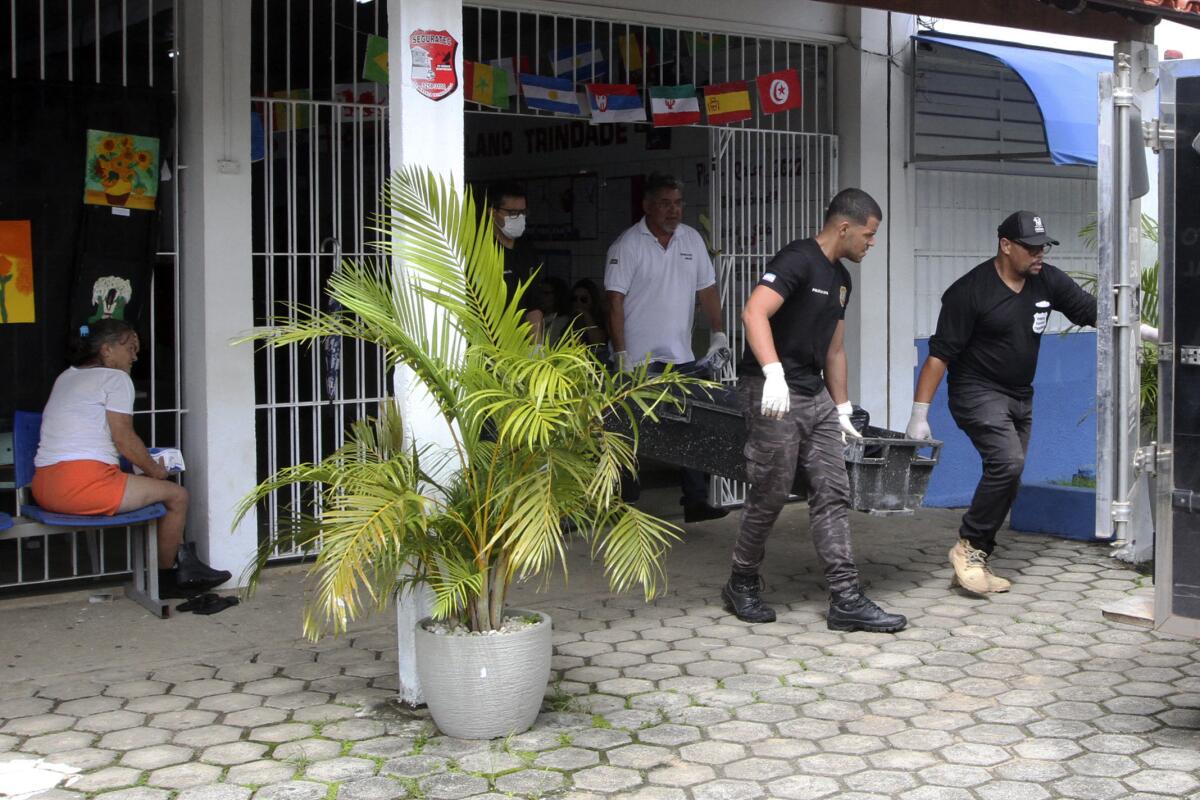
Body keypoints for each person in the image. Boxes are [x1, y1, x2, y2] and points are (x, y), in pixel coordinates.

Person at [724, 188, 907, 633]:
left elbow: (835, 349)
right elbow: (753, 314)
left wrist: (842, 407)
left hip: (816, 397)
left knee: (832, 491)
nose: (871, 242)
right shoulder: (797, 259)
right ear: (844, 227)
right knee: (771, 489)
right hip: (773, 394)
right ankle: (741, 581)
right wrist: (772, 373)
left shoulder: (842, 280)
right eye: (869, 234)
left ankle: (845, 598)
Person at [905, 210, 1106, 595]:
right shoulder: (969, 292)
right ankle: (968, 546)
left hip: (1020, 394)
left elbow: (1092, 311)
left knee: (1009, 478)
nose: (1039, 255)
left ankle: (974, 556)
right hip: (976, 391)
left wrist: (1151, 332)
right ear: (1005, 245)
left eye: (1043, 247)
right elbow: (939, 355)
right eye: (1031, 248)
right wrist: (919, 415)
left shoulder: (1046, 280)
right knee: (1007, 462)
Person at [32, 319, 230, 596]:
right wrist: (156, 471)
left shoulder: (66, 376)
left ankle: (185, 566)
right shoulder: (115, 379)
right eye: (130, 348)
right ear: (107, 350)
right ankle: (166, 582)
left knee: (151, 486)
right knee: (177, 496)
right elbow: (123, 438)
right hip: (83, 487)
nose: (135, 356)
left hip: (45, 488)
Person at [604, 172, 731, 523]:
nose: (673, 211)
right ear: (646, 206)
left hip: (683, 358)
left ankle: (695, 501)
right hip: (639, 362)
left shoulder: (691, 240)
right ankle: (625, 505)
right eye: (664, 204)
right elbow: (614, 302)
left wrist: (718, 332)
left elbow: (707, 290)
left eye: (677, 204)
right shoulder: (627, 245)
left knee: (692, 427)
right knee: (630, 432)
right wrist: (621, 354)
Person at [488, 180, 544, 336]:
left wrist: (536, 349)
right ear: (492, 212)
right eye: (512, 213)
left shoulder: (528, 250)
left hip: (520, 345)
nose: (519, 217)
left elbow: (534, 305)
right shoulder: (480, 252)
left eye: (523, 212)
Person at [568, 278, 610, 353]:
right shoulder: (570, 320)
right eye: (574, 299)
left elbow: (597, 342)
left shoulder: (602, 319)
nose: (578, 302)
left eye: (583, 299)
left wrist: (586, 315)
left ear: (593, 300)